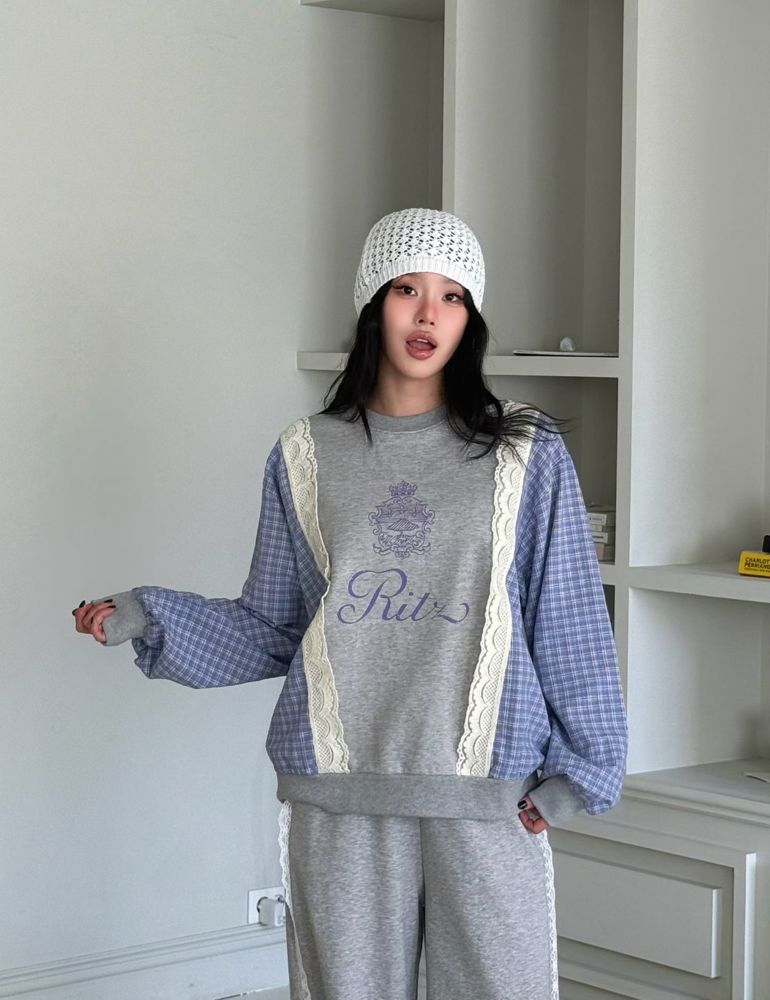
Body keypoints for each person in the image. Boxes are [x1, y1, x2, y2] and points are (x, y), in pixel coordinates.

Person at [72, 207, 628, 1000]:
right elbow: (274, 625)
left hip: (485, 795)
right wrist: (147, 614)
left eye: (453, 297)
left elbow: (567, 618)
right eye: (408, 290)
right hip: (338, 796)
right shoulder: (305, 453)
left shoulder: (525, 451)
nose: (429, 314)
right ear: (374, 303)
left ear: (470, 319)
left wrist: (583, 771)